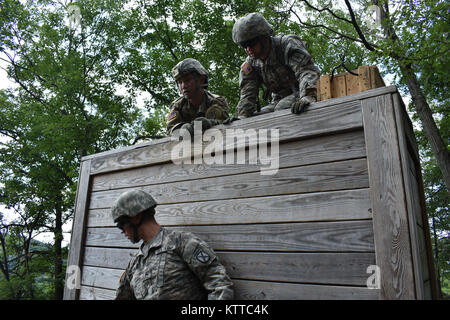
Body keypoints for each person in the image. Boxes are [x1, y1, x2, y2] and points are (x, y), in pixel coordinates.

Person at [111, 189, 234, 300]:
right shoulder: (136, 262)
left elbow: (220, 285)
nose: (122, 231)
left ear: (136, 217)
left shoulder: (182, 243)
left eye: (121, 224)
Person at [232, 12, 321, 118]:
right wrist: (241, 118)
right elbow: (248, 93)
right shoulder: (250, 65)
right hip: (278, 101)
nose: (248, 49)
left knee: (281, 108)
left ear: (264, 38)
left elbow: (306, 71)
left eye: (251, 43)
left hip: (303, 93)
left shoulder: (287, 45)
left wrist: (308, 96)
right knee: (258, 117)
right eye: (244, 45)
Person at [166, 58, 229, 135]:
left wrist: (210, 123)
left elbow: (224, 125)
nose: (183, 86)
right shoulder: (177, 106)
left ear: (201, 80)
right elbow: (170, 130)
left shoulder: (216, 101)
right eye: (180, 82)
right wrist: (181, 128)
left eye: (187, 80)